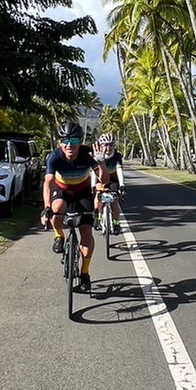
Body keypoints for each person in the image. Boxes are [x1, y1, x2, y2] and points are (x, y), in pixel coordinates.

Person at [41, 121, 96, 294]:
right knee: (56, 208)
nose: (69, 145)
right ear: (60, 143)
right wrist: (46, 208)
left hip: (83, 192)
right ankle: (59, 236)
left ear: (80, 142)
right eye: (65, 141)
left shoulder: (87, 154)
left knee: (86, 230)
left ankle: (85, 273)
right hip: (62, 190)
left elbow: (103, 179)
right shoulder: (54, 157)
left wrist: (101, 163)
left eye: (74, 141)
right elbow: (48, 183)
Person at [92, 133, 126, 230]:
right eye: (105, 145)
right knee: (98, 194)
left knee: (114, 200)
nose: (108, 148)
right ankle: (97, 216)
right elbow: (94, 173)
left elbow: (119, 170)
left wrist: (122, 185)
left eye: (111, 145)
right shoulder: (97, 155)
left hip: (113, 179)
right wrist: (92, 186)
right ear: (101, 146)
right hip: (100, 179)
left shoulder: (117, 155)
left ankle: (116, 223)